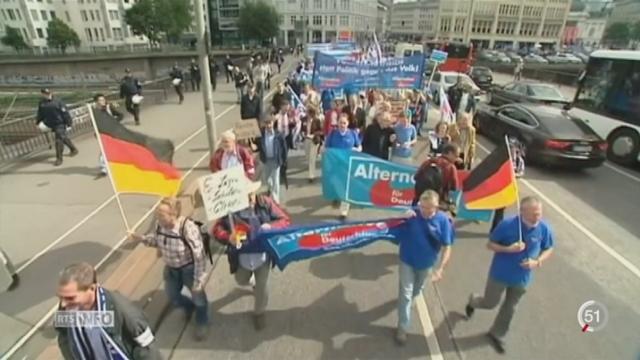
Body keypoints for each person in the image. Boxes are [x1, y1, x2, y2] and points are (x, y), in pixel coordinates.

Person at [465, 196, 554, 354]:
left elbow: (548, 248)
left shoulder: (544, 228)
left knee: (511, 307)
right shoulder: (507, 225)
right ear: (522, 212)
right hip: (500, 274)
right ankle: (473, 301)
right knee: (490, 303)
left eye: (539, 213)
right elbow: (490, 244)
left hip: (522, 278)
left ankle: (496, 334)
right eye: (533, 213)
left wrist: (537, 261)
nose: (537, 217)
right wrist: (508, 249)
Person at [212, 179, 291, 330]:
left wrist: (271, 226)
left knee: (263, 287)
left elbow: (285, 220)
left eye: (251, 194)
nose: (249, 198)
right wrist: (228, 237)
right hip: (242, 258)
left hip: (262, 257)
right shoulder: (231, 210)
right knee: (241, 280)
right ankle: (252, 283)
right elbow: (216, 229)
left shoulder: (265, 203)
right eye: (244, 195)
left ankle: (259, 312)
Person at [128, 198, 210, 341]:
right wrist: (140, 238)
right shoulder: (160, 225)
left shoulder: (187, 228)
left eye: (161, 214)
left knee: (199, 298)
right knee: (173, 296)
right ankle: (189, 307)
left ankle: (202, 321)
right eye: (157, 213)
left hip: (188, 269)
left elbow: (199, 256)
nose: (157, 217)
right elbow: (156, 240)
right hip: (171, 269)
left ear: (173, 214)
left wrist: (198, 280)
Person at [55, 262, 161, 359]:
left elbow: (148, 347)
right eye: (60, 297)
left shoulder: (123, 310)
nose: (63, 304)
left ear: (92, 288)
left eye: (70, 298)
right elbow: (63, 333)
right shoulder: (69, 307)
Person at [395, 190, 454, 345]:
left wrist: (440, 268)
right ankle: (402, 328)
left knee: (416, 291)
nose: (426, 211)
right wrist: (401, 217)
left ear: (436, 207)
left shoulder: (442, 221)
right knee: (406, 294)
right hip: (406, 260)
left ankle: (406, 307)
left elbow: (447, 246)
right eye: (423, 207)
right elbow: (392, 227)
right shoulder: (412, 215)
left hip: (426, 264)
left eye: (430, 208)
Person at [324, 113, 362, 220]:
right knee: (336, 184)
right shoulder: (333, 133)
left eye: (344, 123)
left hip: (347, 165)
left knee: (346, 187)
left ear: (348, 123)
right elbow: (326, 147)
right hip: (335, 165)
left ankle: (344, 211)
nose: (342, 125)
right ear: (338, 123)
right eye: (340, 123)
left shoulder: (353, 134)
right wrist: (325, 151)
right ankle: (336, 196)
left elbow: (359, 147)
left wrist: (357, 149)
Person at [36, 88, 78, 166]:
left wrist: (69, 123)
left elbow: (65, 112)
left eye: (48, 94)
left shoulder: (58, 101)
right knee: (63, 137)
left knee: (58, 140)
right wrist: (37, 122)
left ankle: (59, 158)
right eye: (45, 94)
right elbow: (40, 114)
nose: (47, 95)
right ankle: (73, 149)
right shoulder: (41, 103)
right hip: (50, 123)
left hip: (60, 123)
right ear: (42, 94)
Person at [413, 143, 461, 208]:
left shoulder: (429, 161)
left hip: (420, 199)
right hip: (435, 203)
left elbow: (416, 177)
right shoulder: (451, 167)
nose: (457, 159)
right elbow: (454, 187)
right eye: (456, 156)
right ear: (450, 153)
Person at [258, 117, 288, 204]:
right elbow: (257, 145)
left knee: (275, 180)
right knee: (266, 180)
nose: (268, 125)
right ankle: (269, 192)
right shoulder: (261, 135)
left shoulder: (278, 135)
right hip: (265, 160)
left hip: (275, 160)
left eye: (270, 123)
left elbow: (284, 148)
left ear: (273, 123)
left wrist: (283, 159)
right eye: (266, 123)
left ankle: (275, 200)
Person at [94, 93, 123, 176]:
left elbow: (121, 115)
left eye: (103, 100)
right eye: (100, 100)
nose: (102, 102)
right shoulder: (95, 111)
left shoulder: (109, 107)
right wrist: (96, 132)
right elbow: (95, 123)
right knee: (103, 150)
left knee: (116, 149)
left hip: (113, 131)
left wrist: (114, 122)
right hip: (103, 133)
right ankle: (104, 169)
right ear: (96, 102)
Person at [304, 106, 324, 183]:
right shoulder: (304, 120)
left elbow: (321, 131)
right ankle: (310, 167)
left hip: (314, 140)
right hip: (306, 139)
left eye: (308, 112)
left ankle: (311, 175)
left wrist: (314, 134)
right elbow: (301, 127)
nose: (307, 114)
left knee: (312, 158)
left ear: (311, 113)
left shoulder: (317, 120)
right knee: (308, 156)